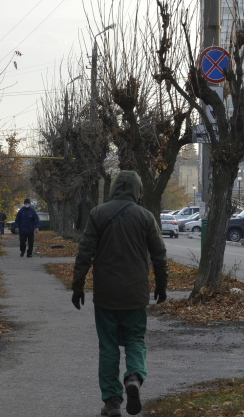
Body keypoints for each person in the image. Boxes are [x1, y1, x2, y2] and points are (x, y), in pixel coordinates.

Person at [71, 170, 168, 417]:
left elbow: (85, 253)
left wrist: (78, 286)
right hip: (135, 293)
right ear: (138, 191)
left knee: (108, 346)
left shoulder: (97, 214)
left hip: (106, 294)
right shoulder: (145, 217)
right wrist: (161, 285)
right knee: (135, 339)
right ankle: (134, 378)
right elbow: (159, 254)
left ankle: (113, 401)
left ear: (114, 188)